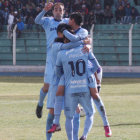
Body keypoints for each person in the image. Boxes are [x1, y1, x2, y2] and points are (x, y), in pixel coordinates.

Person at [48, 12, 112, 138]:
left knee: (66, 100)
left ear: (72, 20)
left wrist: (84, 42)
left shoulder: (80, 33)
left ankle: (58, 124)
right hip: (75, 75)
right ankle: (59, 123)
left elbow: (74, 41)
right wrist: (86, 43)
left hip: (71, 75)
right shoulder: (63, 44)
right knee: (88, 101)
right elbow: (76, 42)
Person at [35, 2, 81, 140]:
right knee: (47, 87)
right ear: (52, 11)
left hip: (65, 61)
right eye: (55, 9)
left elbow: (80, 29)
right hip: (52, 61)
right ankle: (40, 104)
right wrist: (44, 10)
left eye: (60, 9)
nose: (58, 11)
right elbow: (36, 21)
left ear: (64, 11)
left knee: (72, 104)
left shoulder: (68, 22)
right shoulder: (48, 21)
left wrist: (86, 40)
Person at [55, 35, 97, 140]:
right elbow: (96, 66)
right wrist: (88, 74)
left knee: (69, 117)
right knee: (90, 113)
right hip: (84, 88)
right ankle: (84, 136)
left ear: (65, 41)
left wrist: (66, 78)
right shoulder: (85, 49)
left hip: (70, 89)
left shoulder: (61, 53)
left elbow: (57, 72)